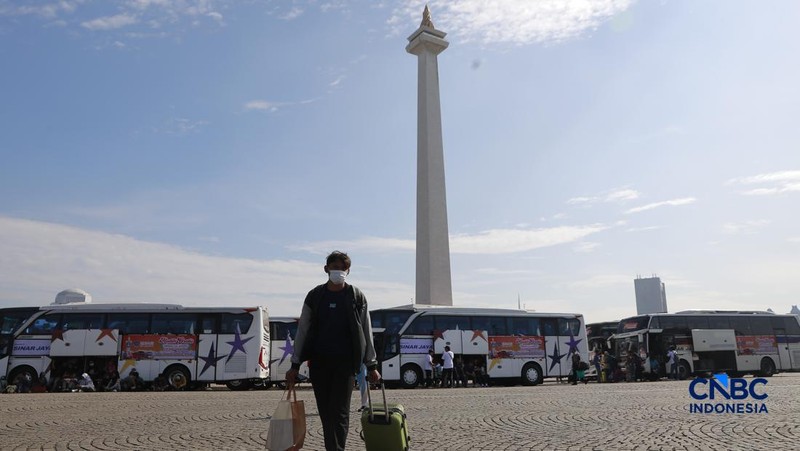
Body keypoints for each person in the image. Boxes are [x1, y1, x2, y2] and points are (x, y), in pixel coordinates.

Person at [286, 251, 380, 451]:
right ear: (326, 269)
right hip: (319, 364)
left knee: (340, 412)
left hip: (346, 365)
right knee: (326, 413)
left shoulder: (356, 296)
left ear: (348, 271)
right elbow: (303, 330)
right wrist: (295, 364)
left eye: (342, 268)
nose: (338, 271)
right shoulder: (314, 296)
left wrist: (371, 365)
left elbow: (366, 330)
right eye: (335, 267)